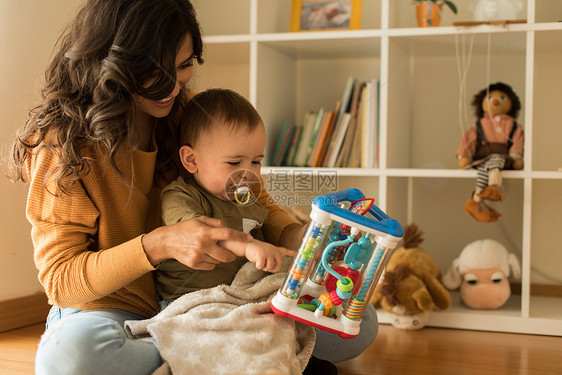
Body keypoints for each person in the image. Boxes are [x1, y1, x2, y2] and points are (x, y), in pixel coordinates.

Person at [7, 1, 377, 374]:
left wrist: (303, 235)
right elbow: (61, 281)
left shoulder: (184, 116)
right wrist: (161, 243)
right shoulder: (62, 143)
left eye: (183, 66)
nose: (171, 85)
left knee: (360, 322)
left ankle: (213, 355)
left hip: (210, 304)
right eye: (154, 70)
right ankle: (246, 353)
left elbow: (251, 194)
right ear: (112, 60)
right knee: (70, 358)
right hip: (118, 312)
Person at [156, 88, 296, 304]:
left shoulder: (248, 199)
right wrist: (249, 247)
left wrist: (281, 254)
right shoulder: (180, 195)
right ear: (191, 160)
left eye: (256, 162)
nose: (248, 173)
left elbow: (265, 242)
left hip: (240, 296)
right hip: (189, 300)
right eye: (233, 163)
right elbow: (203, 235)